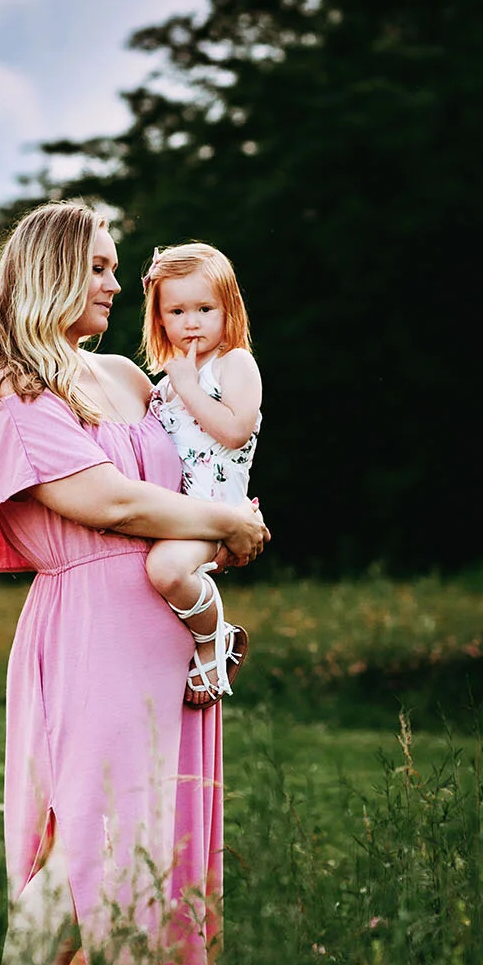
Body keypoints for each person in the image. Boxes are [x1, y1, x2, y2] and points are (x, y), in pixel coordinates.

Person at [0, 201, 269, 965]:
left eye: (113, 265)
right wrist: (227, 525)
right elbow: (112, 504)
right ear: (52, 272)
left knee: (158, 826)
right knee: (91, 834)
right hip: (94, 628)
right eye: (96, 266)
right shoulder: (17, 390)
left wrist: (224, 518)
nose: (115, 282)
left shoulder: (131, 378)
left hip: (164, 629)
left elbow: (202, 469)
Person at [141, 243, 263, 710]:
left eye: (205, 309)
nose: (191, 322)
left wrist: (189, 387)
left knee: (167, 570)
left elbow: (234, 431)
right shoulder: (167, 381)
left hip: (217, 513)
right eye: (177, 310)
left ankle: (216, 637)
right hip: (177, 513)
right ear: (160, 319)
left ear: (228, 309)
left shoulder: (234, 364)